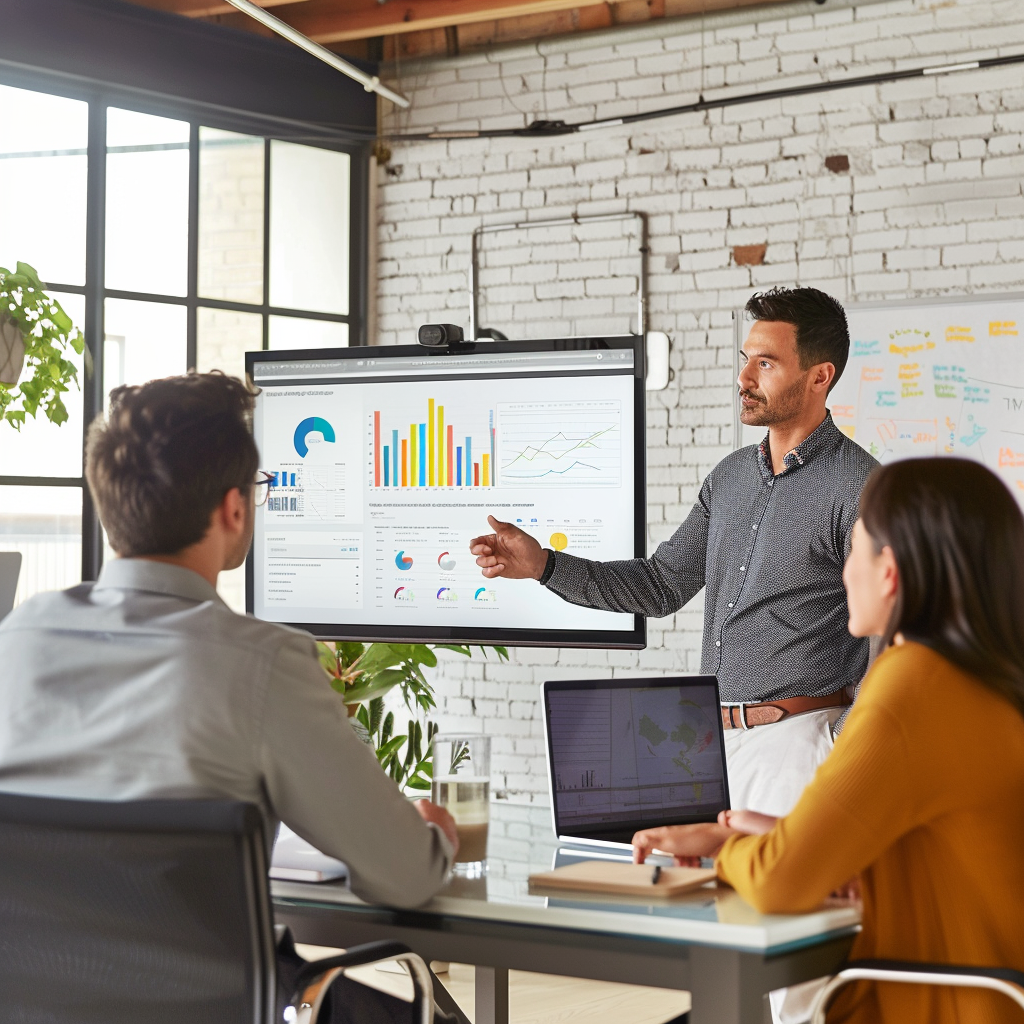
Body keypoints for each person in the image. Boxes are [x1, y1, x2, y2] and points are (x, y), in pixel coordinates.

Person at [0, 372, 460, 1024]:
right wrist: (432, 836)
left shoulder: (15, 640)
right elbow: (406, 878)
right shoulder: (263, 664)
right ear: (234, 508)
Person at [633, 457, 1024, 1024]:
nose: (844, 575)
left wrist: (724, 853)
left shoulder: (910, 683)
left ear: (888, 571)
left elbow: (779, 884)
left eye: (855, 549)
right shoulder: (990, 683)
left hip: (921, 1004)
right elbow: (946, 849)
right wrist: (788, 838)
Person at [471, 286, 879, 815]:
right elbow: (662, 585)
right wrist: (545, 566)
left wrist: (842, 741)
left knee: (773, 899)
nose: (744, 379)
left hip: (799, 747)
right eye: (745, 360)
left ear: (819, 376)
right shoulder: (730, 478)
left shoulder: (861, 488)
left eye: (766, 363)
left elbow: (892, 634)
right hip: (708, 745)